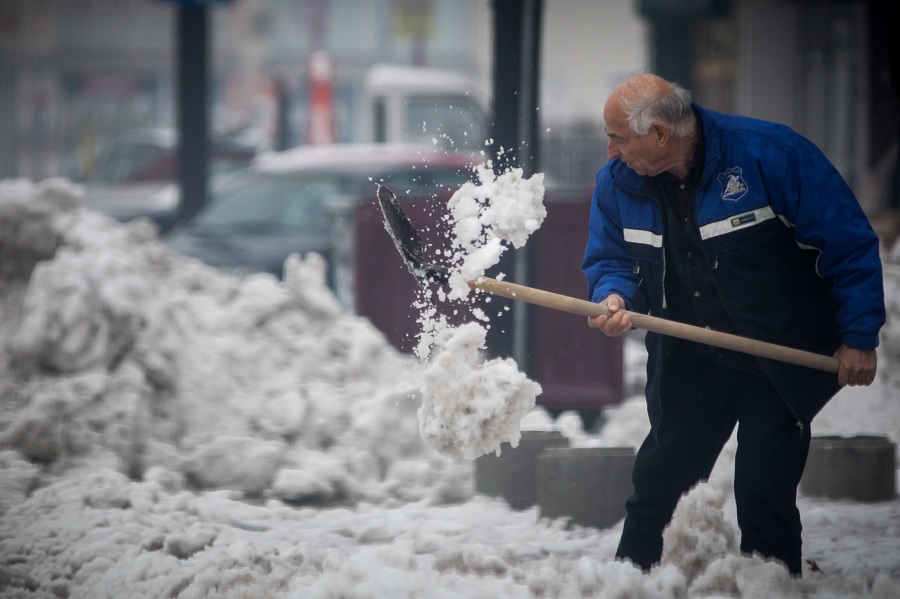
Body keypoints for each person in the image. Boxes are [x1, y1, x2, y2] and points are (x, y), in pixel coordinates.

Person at [582, 73, 885, 576]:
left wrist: (858, 336)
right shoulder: (617, 184)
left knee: (764, 495)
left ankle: (770, 586)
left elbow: (848, 243)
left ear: (659, 134)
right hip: (688, 356)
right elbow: (612, 258)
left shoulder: (770, 155)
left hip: (776, 357)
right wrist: (613, 296)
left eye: (618, 137)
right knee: (658, 485)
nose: (610, 151)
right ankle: (632, 584)